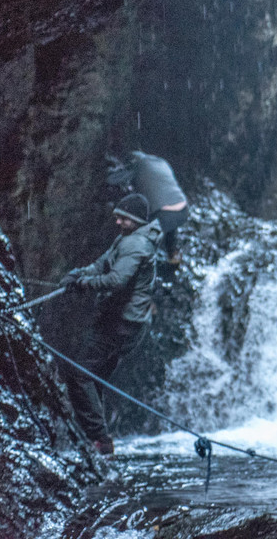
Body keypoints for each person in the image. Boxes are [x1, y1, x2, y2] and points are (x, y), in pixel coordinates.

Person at [60, 192, 162, 454]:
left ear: (136, 220)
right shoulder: (127, 239)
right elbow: (101, 264)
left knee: (80, 373)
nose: (117, 221)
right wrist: (78, 274)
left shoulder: (136, 245)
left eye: (123, 218)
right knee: (95, 377)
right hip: (129, 325)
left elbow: (116, 281)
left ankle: (99, 439)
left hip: (121, 324)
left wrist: (82, 284)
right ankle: (98, 438)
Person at [107, 150, 188, 264]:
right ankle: (174, 257)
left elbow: (112, 179)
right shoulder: (161, 162)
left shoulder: (138, 165)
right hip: (182, 209)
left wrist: (106, 171)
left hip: (162, 214)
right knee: (170, 226)